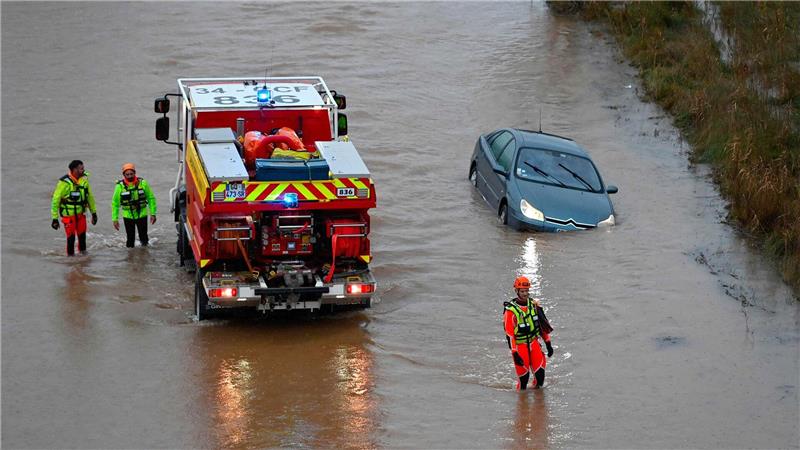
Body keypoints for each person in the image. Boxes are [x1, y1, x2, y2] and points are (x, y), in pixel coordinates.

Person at [503, 276, 554, 390]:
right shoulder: (510, 311)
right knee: (523, 382)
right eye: (522, 291)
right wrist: (515, 353)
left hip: (534, 343)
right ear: (516, 291)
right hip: (520, 347)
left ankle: (538, 404)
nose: (525, 294)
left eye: (527, 291)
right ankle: (522, 405)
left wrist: (548, 343)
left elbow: (542, 326)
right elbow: (510, 335)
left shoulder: (535, 305)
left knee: (540, 379)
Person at [51, 160, 97, 255]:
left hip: (81, 215)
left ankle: (84, 260)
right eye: (81, 168)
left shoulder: (84, 182)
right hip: (68, 216)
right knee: (71, 239)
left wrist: (94, 213)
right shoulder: (64, 183)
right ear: (74, 169)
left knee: (82, 238)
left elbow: (90, 197)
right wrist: (54, 218)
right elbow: (55, 200)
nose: (83, 170)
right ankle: (71, 262)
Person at [111, 163, 157, 247]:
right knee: (130, 239)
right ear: (124, 175)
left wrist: (153, 213)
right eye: (127, 174)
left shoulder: (143, 183)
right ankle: (130, 257)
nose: (129, 176)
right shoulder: (119, 187)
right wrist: (115, 219)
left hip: (142, 214)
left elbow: (151, 198)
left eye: (131, 174)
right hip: (128, 216)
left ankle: (145, 255)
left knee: (144, 238)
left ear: (135, 173)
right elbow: (115, 203)